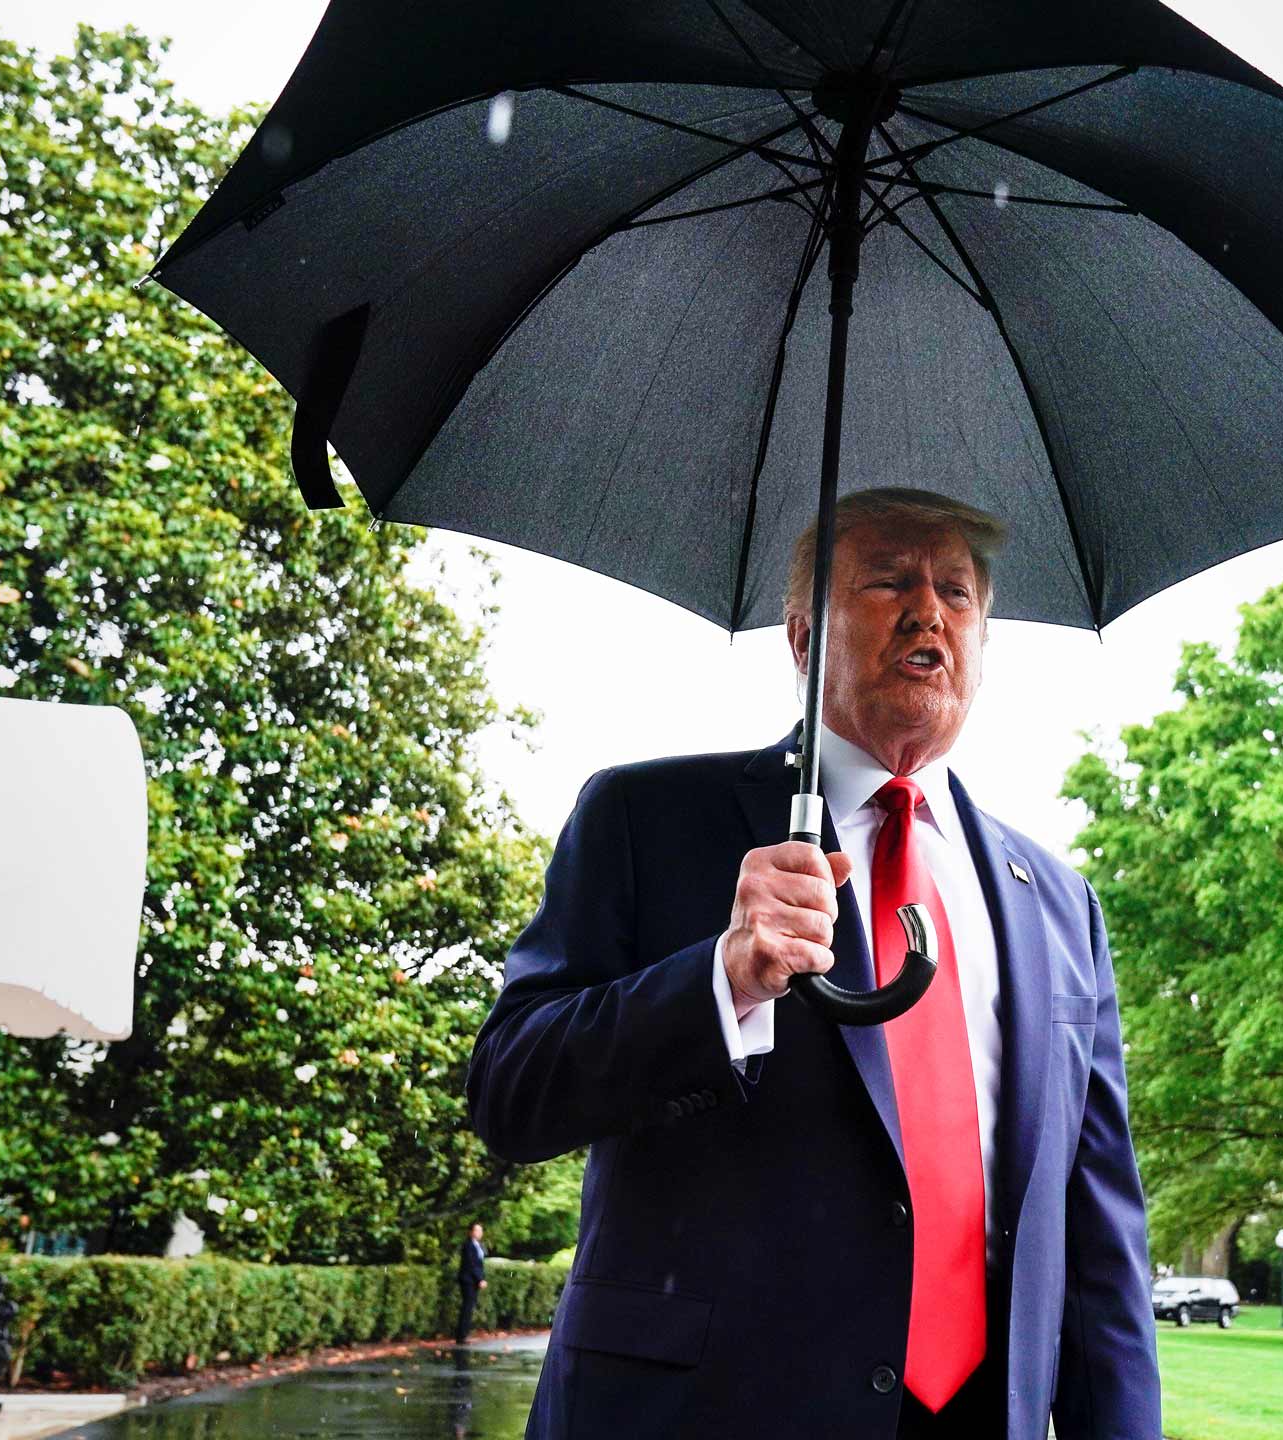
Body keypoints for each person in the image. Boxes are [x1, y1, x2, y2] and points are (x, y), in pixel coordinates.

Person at [466, 489, 1159, 1440]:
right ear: (801, 638)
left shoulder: (1059, 904)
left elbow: (1099, 1243)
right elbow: (511, 1092)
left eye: (956, 593)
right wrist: (721, 980)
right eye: (888, 582)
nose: (928, 612)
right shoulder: (644, 819)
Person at [454, 1220, 489, 1344]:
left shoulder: (477, 1245)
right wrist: (480, 1279)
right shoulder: (468, 1245)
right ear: (470, 1232)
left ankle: (464, 1334)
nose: (479, 1233)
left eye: (480, 1230)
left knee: (469, 1307)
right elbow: (471, 1264)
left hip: (472, 1280)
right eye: (476, 1230)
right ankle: (461, 1336)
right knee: (467, 1307)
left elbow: (479, 1264)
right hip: (468, 1280)